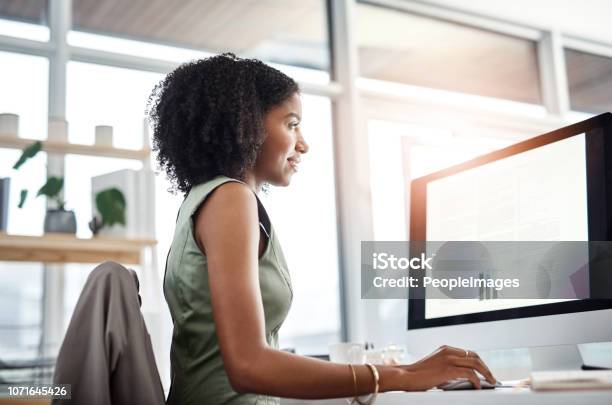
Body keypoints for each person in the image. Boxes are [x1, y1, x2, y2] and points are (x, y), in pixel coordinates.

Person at [148, 53, 497, 405]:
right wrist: (403, 377)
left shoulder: (203, 201)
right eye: (291, 123)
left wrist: (401, 372)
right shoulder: (231, 199)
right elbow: (248, 365)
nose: (303, 143)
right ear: (247, 124)